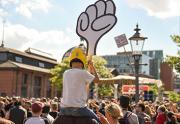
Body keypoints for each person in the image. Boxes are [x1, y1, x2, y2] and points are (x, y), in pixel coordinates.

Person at [59, 47, 100, 123]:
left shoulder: (65, 73)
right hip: (79, 109)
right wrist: (92, 67)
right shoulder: (83, 73)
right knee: (98, 121)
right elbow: (97, 80)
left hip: (64, 109)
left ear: (71, 62)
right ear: (82, 62)